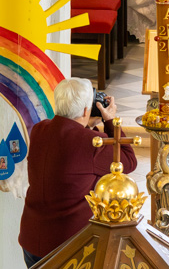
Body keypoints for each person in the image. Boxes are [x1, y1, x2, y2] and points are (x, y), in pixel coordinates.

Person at [18, 77, 137, 267]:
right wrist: (110, 121)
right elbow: (128, 161)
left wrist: (88, 124)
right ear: (85, 110)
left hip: (31, 239)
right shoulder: (91, 142)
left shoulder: (39, 130)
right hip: (67, 246)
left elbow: (67, 140)